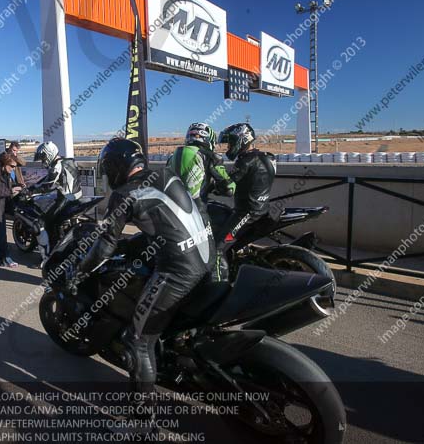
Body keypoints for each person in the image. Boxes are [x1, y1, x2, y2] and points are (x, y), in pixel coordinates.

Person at [74, 138, 214, 430]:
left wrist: (78, 273)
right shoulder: (167, 173)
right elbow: (172, 218)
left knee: (136, 341)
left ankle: (141, 424)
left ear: (116, 168)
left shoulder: (125, 193)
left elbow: (104, 247)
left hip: (178, 272)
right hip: (208, 258)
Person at [215, 123, 276, 251]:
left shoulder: (245, 161)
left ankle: (218, 270)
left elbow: (228, 185)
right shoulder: (267, 157)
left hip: (246, 213)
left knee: (219, 246)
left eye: (230, 143)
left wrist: (213, 187)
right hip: (263, 209)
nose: (229, 147)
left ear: (241, 140)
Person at [28, 141, 81, 248]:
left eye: (43, 157)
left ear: (49, 154)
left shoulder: (57, 166)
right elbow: (48, 178)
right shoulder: (68, 160)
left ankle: (50, 252)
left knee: (44, 222)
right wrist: (33, 186)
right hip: (78, 196)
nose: (42, 160)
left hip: (65, 199)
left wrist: (31, 192)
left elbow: (47, 186)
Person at [167, 122, 235, 204]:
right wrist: (216, 187)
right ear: (209, 138)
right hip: (195, 207)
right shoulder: (210, 157)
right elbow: (230, 189)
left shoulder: (172, 156)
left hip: (171, 204)